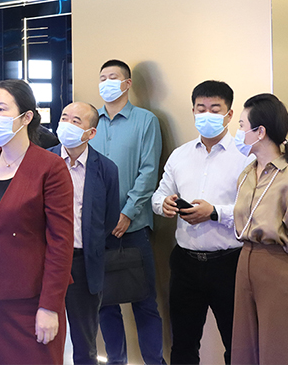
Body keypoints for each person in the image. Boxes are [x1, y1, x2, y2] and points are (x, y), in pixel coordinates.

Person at [0, 79, 74, 365]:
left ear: (26, 117)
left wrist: (50, 306)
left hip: (32, 299)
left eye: (2, 109)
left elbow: (61, 243)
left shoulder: (50, 167)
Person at [152, 81, 251, 365]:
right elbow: (158, 195)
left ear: (229, 115)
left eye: (215, 109)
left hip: (229, 263)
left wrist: (214, 212)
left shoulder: (246, 157)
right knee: (183, 345)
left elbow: (253, 208)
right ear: (193, 111)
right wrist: (164, 204)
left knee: (237, 344)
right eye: (201, 108)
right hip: (185, 263)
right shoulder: (180, 155)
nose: (207, 114)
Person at [231, 93, 288, 365]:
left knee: (279, 350)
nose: (239, 133)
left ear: (260, 132)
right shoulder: (246, 174)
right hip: (244, 261)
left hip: (278, 265)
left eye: (242, 126)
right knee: (244, 349)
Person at [88, 59, 165, 365]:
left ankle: (154, 361)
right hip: (96, 229)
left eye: (113, 77)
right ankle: (115, 361)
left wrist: (128, 212)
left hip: (133, 228)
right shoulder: (91, 122)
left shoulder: (145, 121)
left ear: (127, 83)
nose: (106, 82)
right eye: (102, 77)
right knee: (104, 304)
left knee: (144, 302)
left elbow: (148, 172)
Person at [49, 102, 120, 365]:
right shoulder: (43, 161)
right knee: (43, 337)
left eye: (76, 121)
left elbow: (109, 218)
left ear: (91, 133)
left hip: (83, 262)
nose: (66, 124)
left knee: (84, 343)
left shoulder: (106, 169)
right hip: (45, 261)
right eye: (64, 117)